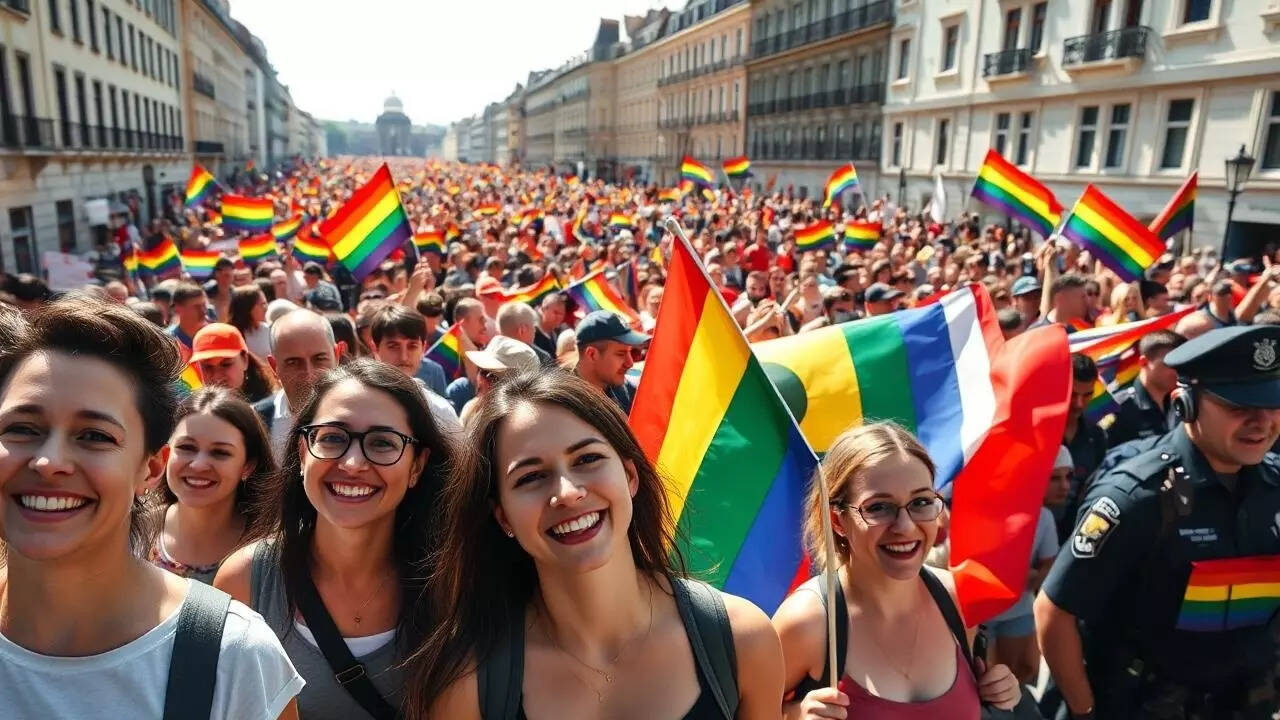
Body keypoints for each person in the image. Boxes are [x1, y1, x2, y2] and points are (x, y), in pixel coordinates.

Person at [405, 369, 784, 719]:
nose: (567, 493)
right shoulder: (467, 684)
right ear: (502, 515)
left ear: (630, 475)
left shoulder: (742, 640)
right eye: (531, 477)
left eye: (587, 458)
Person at [0, 296, 302, 718]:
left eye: (94, 436)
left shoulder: (233, 658)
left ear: (151, 468)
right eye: (21, 429)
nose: (49, 463)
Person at [1036, 324, 1280, 719]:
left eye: (1272, 404)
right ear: (1185, 404)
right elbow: (1054, 610)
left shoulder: (1273, 484)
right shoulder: (1135, 497)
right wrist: (1086, 710)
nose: (1262, 421)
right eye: (1239, 408)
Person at [216, 359, 454, 720]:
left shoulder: (452, 583)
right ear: (301, 453)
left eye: (383, 443)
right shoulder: (245, 581)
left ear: (417, 466)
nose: (354, 462)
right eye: (332, 438)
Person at [773, 423, 1022, 718]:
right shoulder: (808, 622)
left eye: (920, 502)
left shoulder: (955, 599)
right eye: (879, 507)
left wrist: (1001, 689)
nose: (904, 527)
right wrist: (792, 715)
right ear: (837, 522)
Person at [150, 386, 275, 584]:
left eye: (220, 452)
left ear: (248, 466)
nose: (198, 465)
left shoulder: (270, 551)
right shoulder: (131, 532)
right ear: (166, 454)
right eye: (186, 448)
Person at [984, 446, 1068, 686]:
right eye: (1055, 478)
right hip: (977, 615)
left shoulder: (1044, 517)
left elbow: (1048, 568)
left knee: (1020, 675)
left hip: (1018, 611)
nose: (1064, 486)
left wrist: (1027, 577)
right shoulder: (979, 510)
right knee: (983, 682)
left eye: (1067, 477)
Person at [367, 303, 463, 437]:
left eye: (412, 346)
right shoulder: (357, 406)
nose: (404, 356)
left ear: (423, 348)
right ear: (375, 348)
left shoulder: (440, 411)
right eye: (393, 346)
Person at [255, 310, 341, 452]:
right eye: (293, 362)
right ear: (274, 366)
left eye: (319, 359)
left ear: (337, 355)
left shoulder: (367, 417)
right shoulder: (256, 424)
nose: (309, 374)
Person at [1057, 353, 1108, 540]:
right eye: (1073, 395)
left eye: (1087, 395)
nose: (1079, 404)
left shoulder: (1096, 436)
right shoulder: (1037, 432)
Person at [1106, 330, 1186, 449]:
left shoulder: (1183, 401)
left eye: (1180, 365)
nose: (1177, 372)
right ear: (1143, 362)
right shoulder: (1118, 408)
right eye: (1169, 364)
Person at [574, 310, 648, 414]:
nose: (630, 363)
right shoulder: (560, 406)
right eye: (621, 354)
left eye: (630, 352)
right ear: (592, 354)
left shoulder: (627, 393)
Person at [457, 335, 540, 425]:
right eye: (480, 370)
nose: (481, 380)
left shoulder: (532, 427)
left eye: (490, 376)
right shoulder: (470, 410)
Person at [190, 323, 279, 405]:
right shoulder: (194, 411)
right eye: (207, 367)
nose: (217, 377)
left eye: (226, 364)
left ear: (245, 360)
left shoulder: (273, 408)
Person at [496, 300, 556, 367]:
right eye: (533, 326)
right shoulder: (541, 359)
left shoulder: (488, 355)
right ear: (522, 330)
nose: (534, 330)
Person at [229, 284, 272, 360]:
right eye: (262, 304)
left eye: (265, 303)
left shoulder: (267, 329)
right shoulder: (232, 336)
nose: (266, 308)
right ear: (247, 308)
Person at [166, 281, 210, 354]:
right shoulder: (168, 342)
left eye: (204, 305)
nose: (203, 311)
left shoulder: (213, 336)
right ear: (178, 309)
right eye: (197, 307)